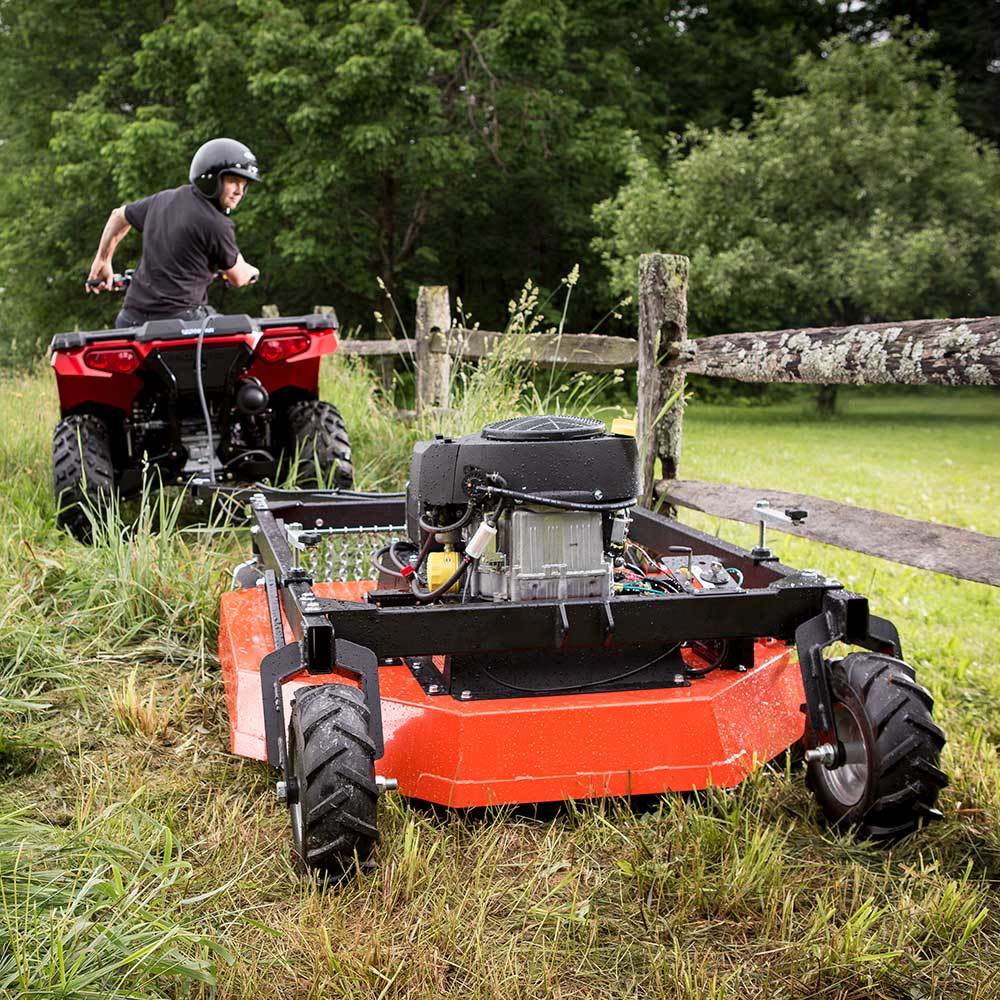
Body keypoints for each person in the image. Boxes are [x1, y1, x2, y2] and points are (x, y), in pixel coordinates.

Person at [86, 137, 261, 328]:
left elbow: (118, 216)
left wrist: (103, 259)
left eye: (244, 185)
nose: (239, 191)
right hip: (182, 323)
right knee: (246, 335)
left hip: (131, 319)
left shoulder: (163, 200)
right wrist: (253, 271)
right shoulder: (216, 223)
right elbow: (238, 277)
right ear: (211, 177)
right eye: (233, 181)